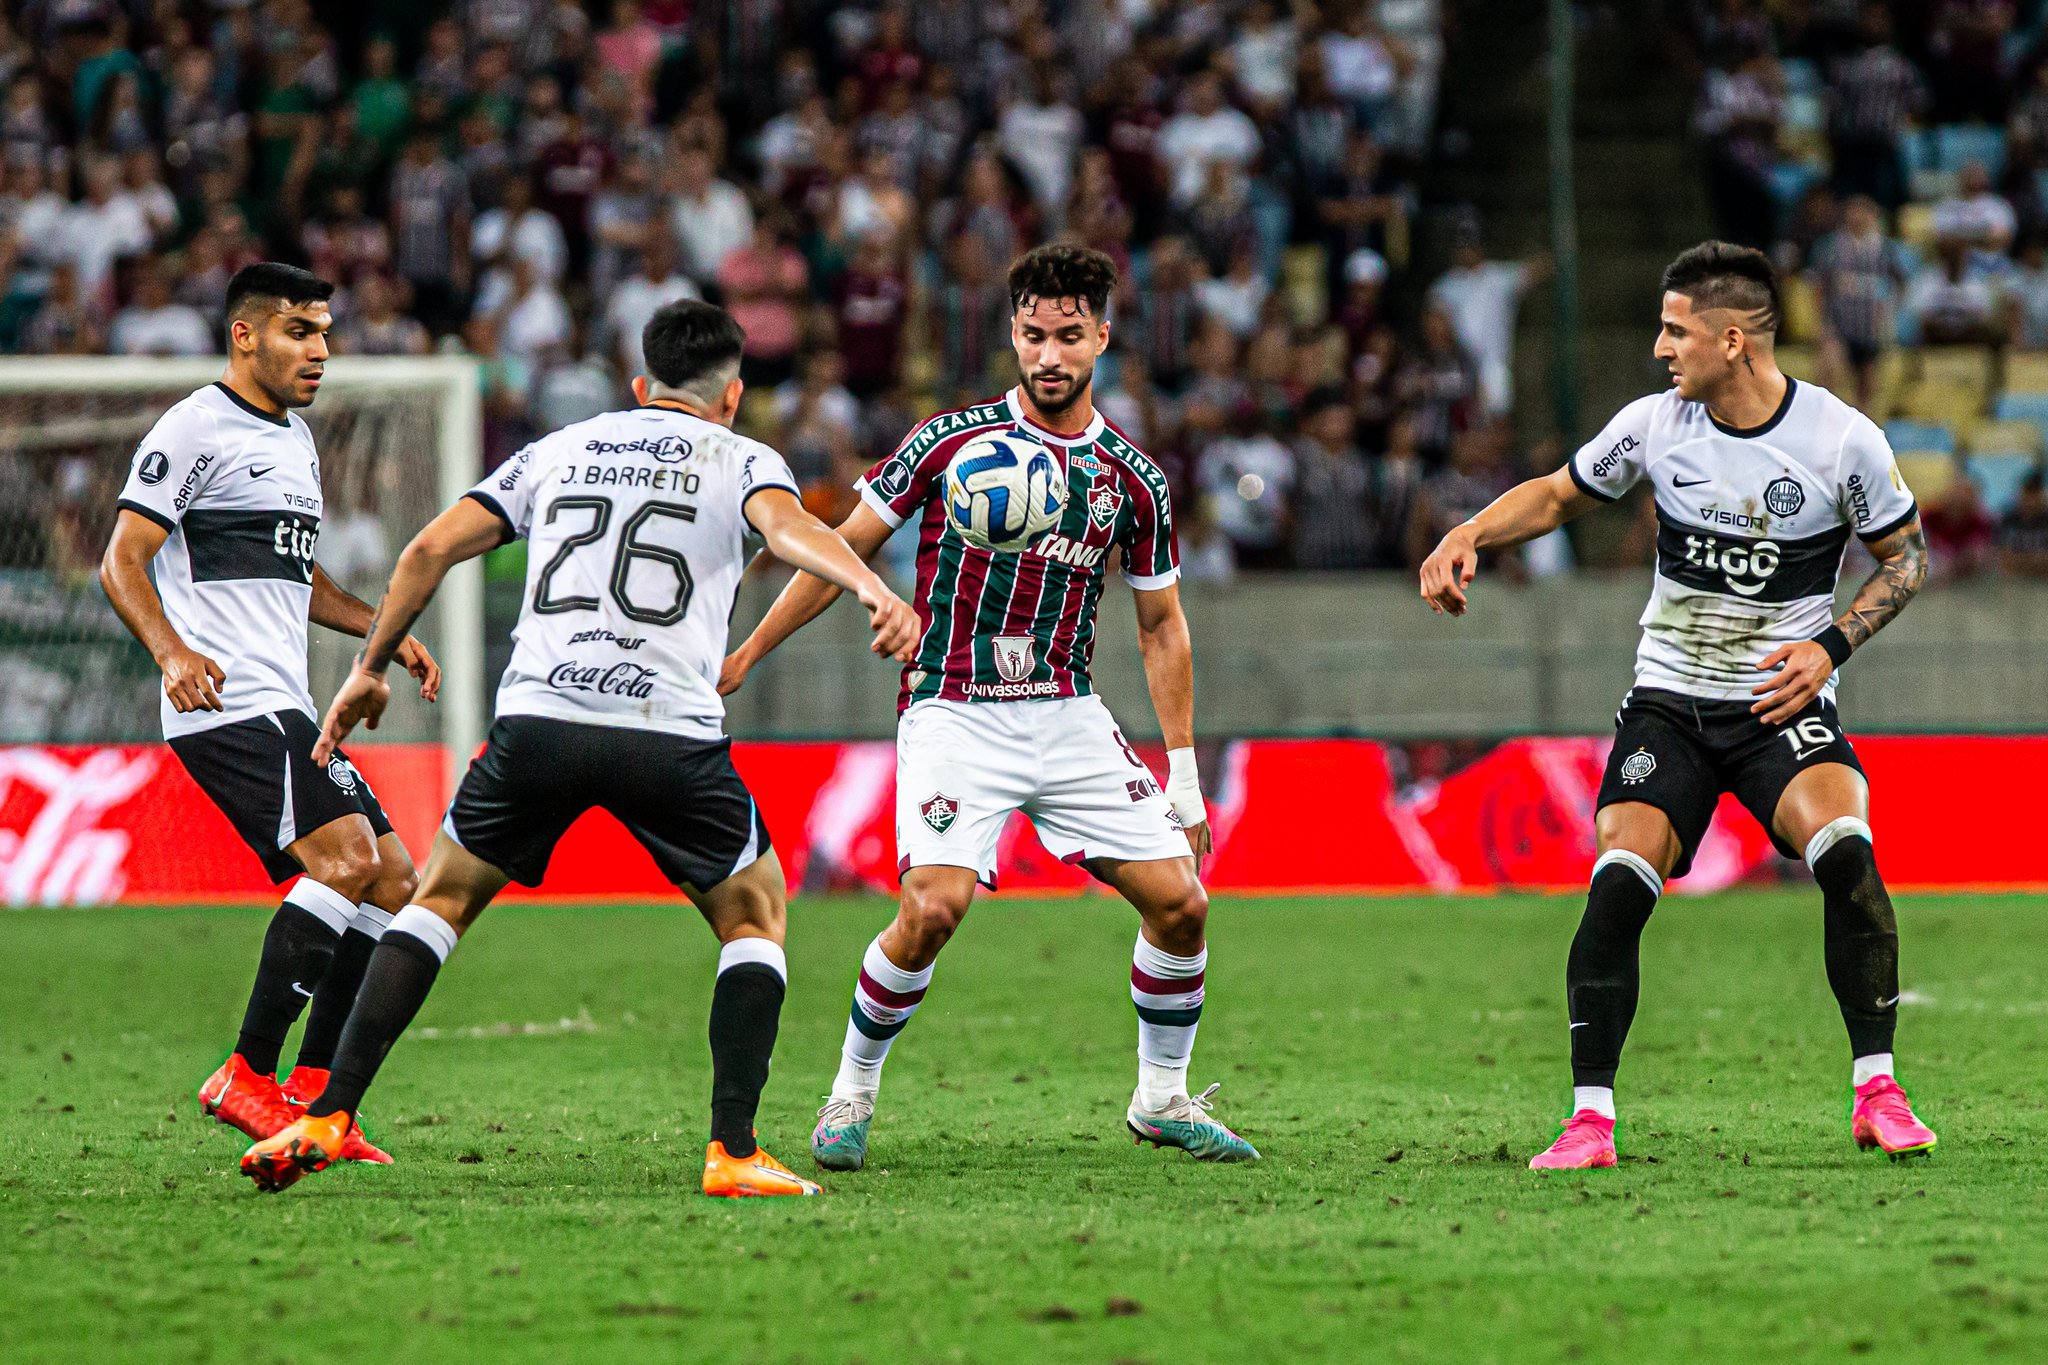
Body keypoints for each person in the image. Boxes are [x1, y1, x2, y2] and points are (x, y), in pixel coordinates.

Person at [239, 300, 919, 1199]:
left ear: (641, 386)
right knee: (754, 915)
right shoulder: (744, 457)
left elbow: (428, 548)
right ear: (732, 395)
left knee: (437, 901)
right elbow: (790, 530)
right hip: (666, 733)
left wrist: (369, 668)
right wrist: (867, 582)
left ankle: (332, 1109)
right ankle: (734, 1149)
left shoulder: (562, 447)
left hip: (539, 723)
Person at [721, 245, 1259, 1172]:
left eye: (1069, 336)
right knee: (933, 907)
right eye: (1034, 335)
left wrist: (1183, 775)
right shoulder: (948, 443)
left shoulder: (1136, 480)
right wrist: (745, 654)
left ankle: (1162, 1097)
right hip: (954, 708)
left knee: (1183, 904)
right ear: (1014, 333)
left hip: (1066, 709)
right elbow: (840, 550)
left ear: (1102, 335)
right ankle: (851, 1091)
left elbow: (1162, 625)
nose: (1050, 355)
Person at [1419, 242, 1937, 1168]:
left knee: (1848, 855)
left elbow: (1908, 557)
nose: (1661, 347)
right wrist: (1470, 533)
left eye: (1675, 330)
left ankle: (1878, 1091)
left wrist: (1830, 646)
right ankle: (1590, 1121)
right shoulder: (1656, 426)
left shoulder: (1839, 439)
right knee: (1619, 880)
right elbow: (1555, 494)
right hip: (1669, 700)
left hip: (1779, 702)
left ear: (1732, 339)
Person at [97, 263, 441, 1166]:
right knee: (348, 859)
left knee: (394, 878)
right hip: (227, 703)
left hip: (280, 700)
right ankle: (245, 1072)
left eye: (325, 332)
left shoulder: (295, 442)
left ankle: (314, 1095)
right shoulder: (194, 427)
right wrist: (172, 653)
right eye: (298, 330)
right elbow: (121, 561)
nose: (319, 351)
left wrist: (384, 627)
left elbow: (302, 576)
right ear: (244, 334)